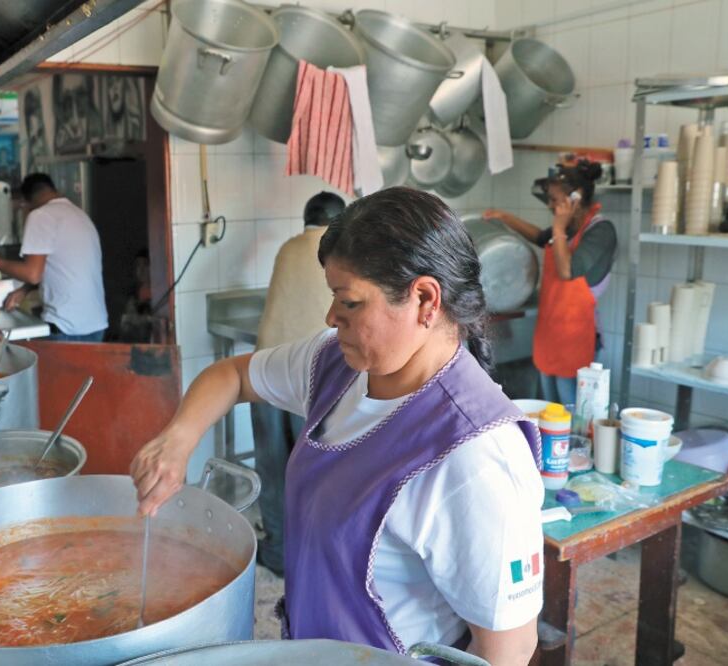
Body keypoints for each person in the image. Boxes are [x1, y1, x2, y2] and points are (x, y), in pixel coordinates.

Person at [131, 188, 543, 663]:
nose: (331, 316)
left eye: (348, 302)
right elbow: (233, 375)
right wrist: (177, 439)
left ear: (425, 299)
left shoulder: (476, 457)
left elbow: (508, 651)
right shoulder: (335, 363)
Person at [251, 190, 346, 576]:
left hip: (265, 369)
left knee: (272, 464)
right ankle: (314, 554)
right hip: (312, 374)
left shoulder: (289, 248)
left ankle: (276, 550)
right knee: (311, 468)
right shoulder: (344, 255)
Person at [484, 160, 615, 405]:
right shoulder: (564, 232)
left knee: (574, 415)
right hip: (550, 336)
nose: (552, 206)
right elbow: (539, 236)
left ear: (576, 199)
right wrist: (504, 217)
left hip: (578, 341)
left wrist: (558, 226)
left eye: (556, 201)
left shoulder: (600, 231)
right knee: (548, 412)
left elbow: (567, 270)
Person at [0, 173, 109, 342]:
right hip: (96, 325)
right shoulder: (79, 215)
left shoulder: (40, 216)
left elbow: (32, 273)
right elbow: (63, 267)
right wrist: (24, 290)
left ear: (27, 201)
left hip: (67, 328)